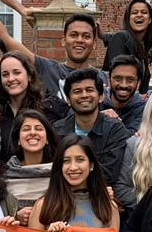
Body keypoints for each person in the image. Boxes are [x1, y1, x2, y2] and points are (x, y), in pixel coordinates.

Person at [55, 69, 137, 208]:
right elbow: (54, 170)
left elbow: (109, 174)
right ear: (68, 100)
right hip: (63, 201)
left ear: (101, 96)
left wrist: (74, 179)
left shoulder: (115, 130)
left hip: (100, 202)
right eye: (77, 91)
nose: (84, 95)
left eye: (89, 90)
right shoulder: (57, 130)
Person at [0, 10, 105, 101]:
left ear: (94, 43)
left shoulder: (105, 79)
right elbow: (4, 38)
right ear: (63, 41)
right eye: (73, 35)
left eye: (86, 36)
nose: (80, 40)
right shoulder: (48, 69)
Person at [4, 109, 60, 208]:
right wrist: (16, 214)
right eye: (26, 129)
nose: (33, 133)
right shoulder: (6, 175)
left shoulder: (59, 172)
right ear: (18, 140)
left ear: (47, 139)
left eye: (38, 129)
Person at [0, 50, 65, 125]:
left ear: (29, 76)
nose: (11, 79)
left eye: (17, 73)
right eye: (5, 74)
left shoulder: (49, 109)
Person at [104, 0, 152, 71]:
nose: (139, 15)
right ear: (128, 19)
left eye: (144, 12)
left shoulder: (148, 46)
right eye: (134, 12)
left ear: (150, 20)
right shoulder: (120, 38)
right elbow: (118, 73)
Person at [105, 56, 147, 133]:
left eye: (130, 80)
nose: (123, 85)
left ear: (138, 83)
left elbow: (129, 140)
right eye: (118, 79)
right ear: (109, 80)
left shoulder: (144, 110)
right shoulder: (96, 101)